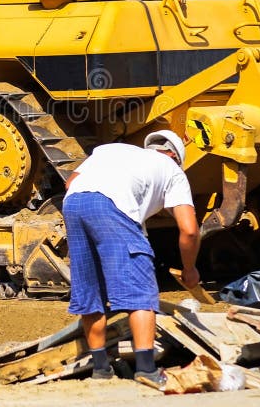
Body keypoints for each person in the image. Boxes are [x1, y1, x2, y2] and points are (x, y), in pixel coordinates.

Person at [62, 129, 200, 390]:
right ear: (173, 156)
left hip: (74, 204)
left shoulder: (111, 150)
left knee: (91, 291)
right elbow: (190, 229)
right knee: (141, 291)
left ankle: (101, 369)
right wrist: (189, 269)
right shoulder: (172, 171)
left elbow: (71, 183)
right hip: (112, 206)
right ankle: (147, 369)